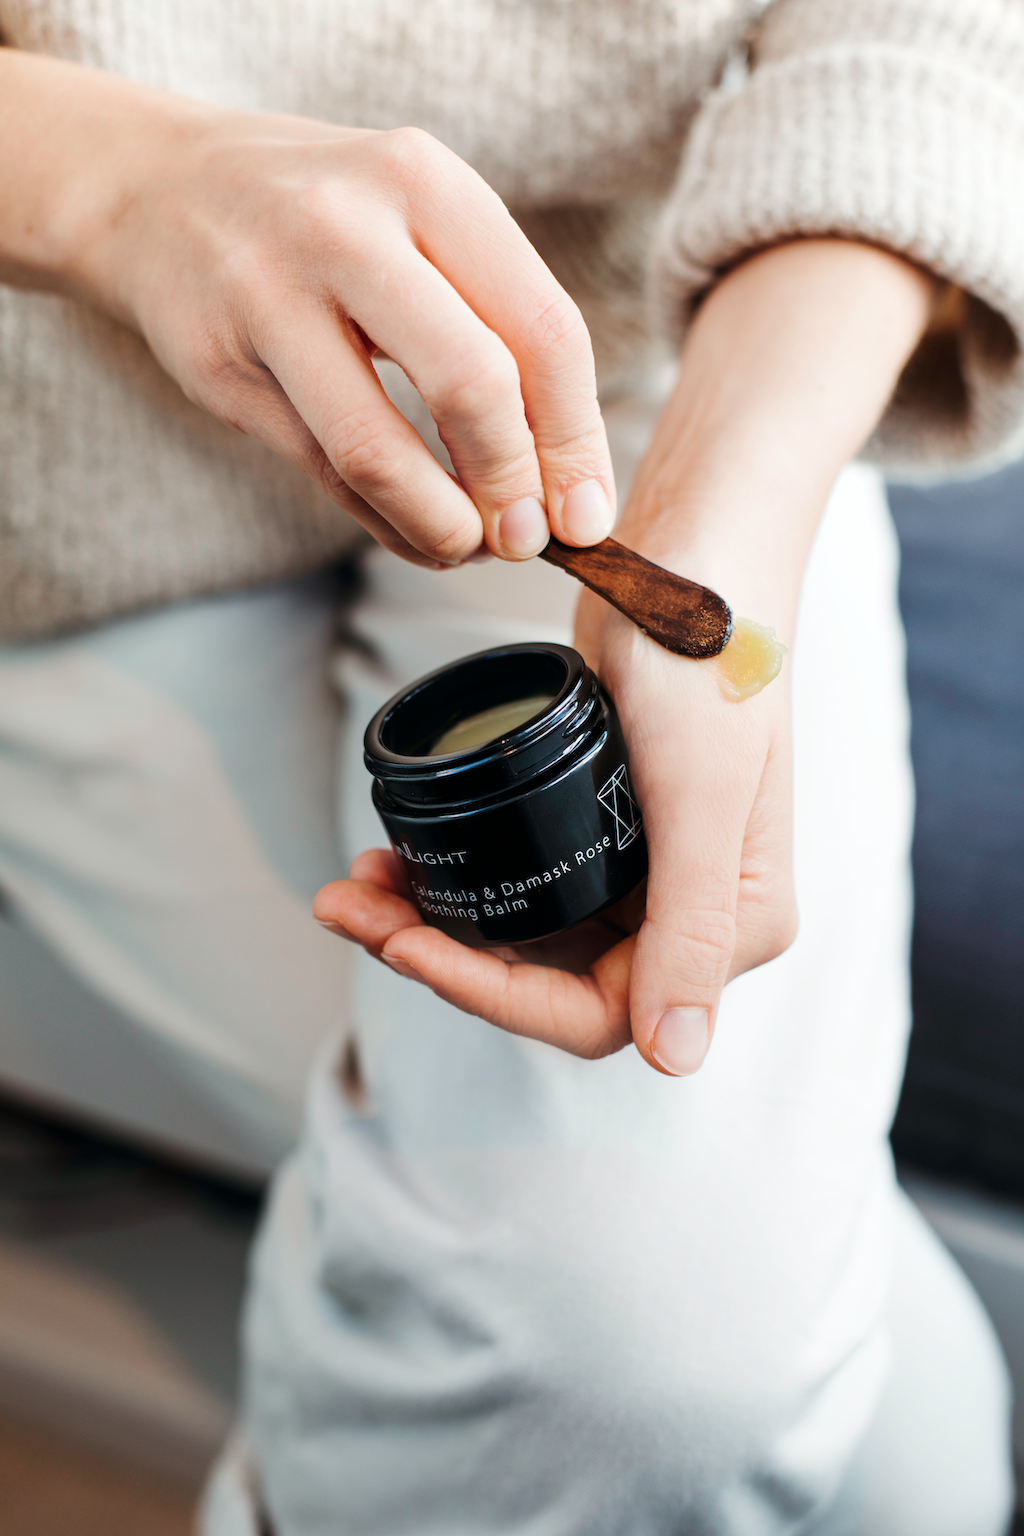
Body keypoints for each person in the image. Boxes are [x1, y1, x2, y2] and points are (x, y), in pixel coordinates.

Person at [0, 4, 1022, 1532]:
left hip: (624, 407)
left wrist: (722, 517)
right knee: (873, 1427)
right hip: (56, 509)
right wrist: (110, 178)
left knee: (696, 1358)